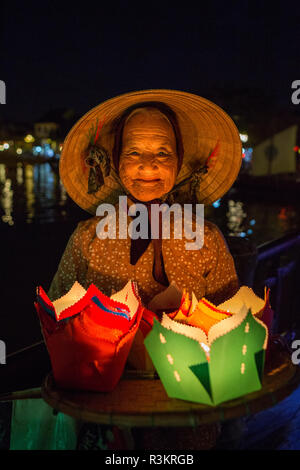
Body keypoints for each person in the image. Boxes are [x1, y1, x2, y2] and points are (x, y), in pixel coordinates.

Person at [43, 90, 242, 450]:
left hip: (190, 420)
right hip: (104, 421)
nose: (148, 166)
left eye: (162, 153)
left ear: (179, 163)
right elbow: (55, 321)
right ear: (115, 162)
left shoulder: (207, 239)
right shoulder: (87, 238)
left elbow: (233, 330)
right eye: (133, 152)